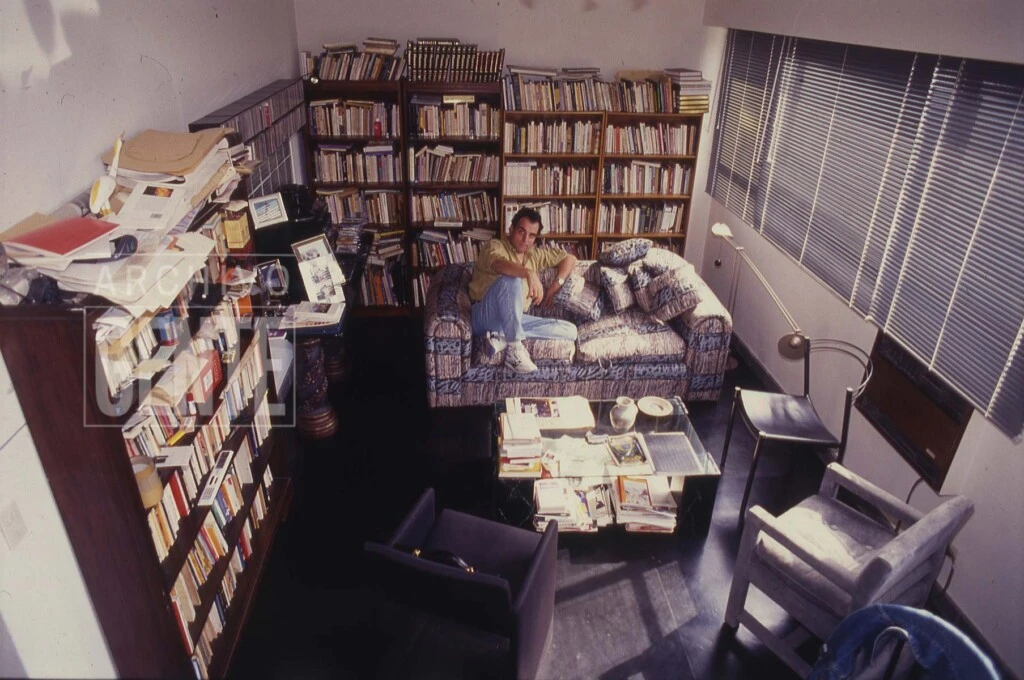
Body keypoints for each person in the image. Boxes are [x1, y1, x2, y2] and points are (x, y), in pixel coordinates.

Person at [469, 207, 578, 373]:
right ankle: (514, 349)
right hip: (485, 314)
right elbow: (498, 265)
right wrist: (528, 273)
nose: (525, 239)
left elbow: (570, 258)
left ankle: (503, 337)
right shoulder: (494, 245)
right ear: (511, 229)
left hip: (514, 318)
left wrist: (556, 285)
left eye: (531, 236)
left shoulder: (534, 255)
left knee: (570, 331)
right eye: (521, 232)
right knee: (511, 279)